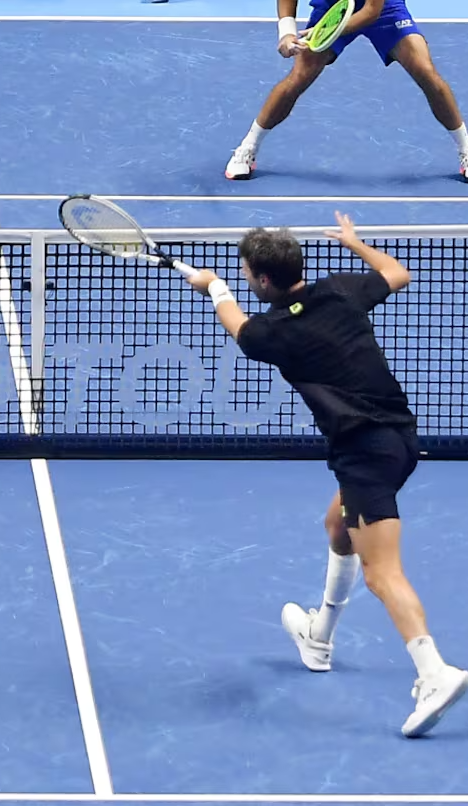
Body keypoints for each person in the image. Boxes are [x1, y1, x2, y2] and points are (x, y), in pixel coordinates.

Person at [185, 213, 468, 737]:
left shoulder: (274, 333)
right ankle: (319, 637)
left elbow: (238, 325)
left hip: (365, 452)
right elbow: (398, 273)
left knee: (382, 573)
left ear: (263, 280)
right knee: (338, 526)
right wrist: (357, 243)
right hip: (400, 440)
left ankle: (435, 673)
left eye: (247, 274)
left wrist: (215, 286)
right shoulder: (340, 291)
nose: (246, 280)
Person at [225, 0, 468, 181]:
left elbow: (371, 11)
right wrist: (286, 32)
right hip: (332, 6)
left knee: (426, 72)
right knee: (299, 76)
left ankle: (465, 147)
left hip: (384, 9)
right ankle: (248, 147)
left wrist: (326, 32)